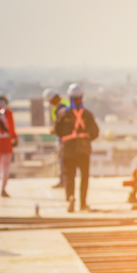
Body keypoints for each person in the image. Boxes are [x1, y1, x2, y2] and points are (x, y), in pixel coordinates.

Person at [54, 83, 99, 212]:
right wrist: (86, 139)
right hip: (83, 149)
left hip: (68, 149)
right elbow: (95, 132)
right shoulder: (87, 114)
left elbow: (58, 131)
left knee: (69, 176)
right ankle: (83, 203)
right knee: (84, 177)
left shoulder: (63, 114)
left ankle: (71, 197)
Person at [43, 88, 70, 187]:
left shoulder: (61, 107)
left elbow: (61, 125)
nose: (51, 104)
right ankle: (65, 181)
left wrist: (55, 130)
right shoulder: (65, 103)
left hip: (64, 138)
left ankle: (64, 181)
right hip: (68, 138)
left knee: (63, 161)